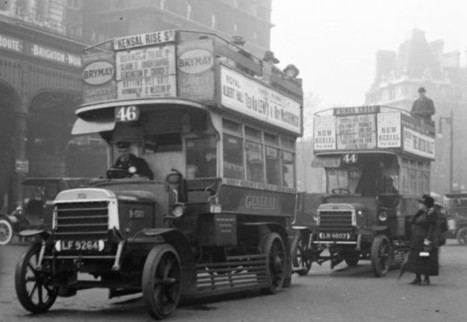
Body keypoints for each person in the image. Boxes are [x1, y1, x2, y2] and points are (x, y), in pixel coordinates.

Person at [406, 194, 439, 285]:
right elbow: (413, 221)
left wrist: (428, 241)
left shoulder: (431, 214)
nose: (419, 205)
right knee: (416, 259)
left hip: (425, 239)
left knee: (425, 259)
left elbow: (431, 228)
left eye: (421, 203)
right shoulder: (422, 213)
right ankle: (418, 278)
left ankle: (426, 278)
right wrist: (419, 212)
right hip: (416, 240)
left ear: (426, 204)